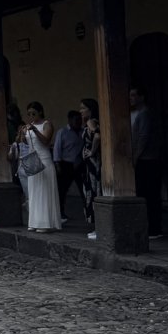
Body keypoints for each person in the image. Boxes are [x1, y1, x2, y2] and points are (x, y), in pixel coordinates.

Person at [16, 102, 61, 232]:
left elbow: (46, 141)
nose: (31, 116)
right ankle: (35, 221)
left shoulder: (46, 124)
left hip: (45, 159)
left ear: (40, 112)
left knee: (44, 191)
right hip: (33, 160)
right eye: (29, 114)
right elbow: (24, 142)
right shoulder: (28, 126)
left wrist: (35, 130)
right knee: (34, 191)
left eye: (34, 113)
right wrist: (22, 134)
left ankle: (46, 223)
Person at [130, 85, 162, 237]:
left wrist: (135, 156)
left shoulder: (144, 114)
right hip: (145, 158)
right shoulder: (137, 114)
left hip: (147, 159)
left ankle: (153, 228)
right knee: (145, 194)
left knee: (149, 194)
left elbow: (143, 137)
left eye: (134, 95)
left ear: (142, 97)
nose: (131, 99)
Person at [52, 109, 85, 223]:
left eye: (80, 120)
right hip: (66, 164)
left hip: (80, 164)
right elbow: (57, 149)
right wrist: (57, 165)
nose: (79, 122)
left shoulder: (82, 131)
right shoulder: (63, 132)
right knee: (62, 190)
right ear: (70, 120)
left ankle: (88, 211)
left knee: (84, 188)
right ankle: (61, 213)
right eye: (76, 120)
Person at [79, 97, 101, 238]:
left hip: (93, 163)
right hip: (91, 163)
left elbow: (97, 136)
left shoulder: (91, 121)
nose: (80, 111)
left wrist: (92, 151)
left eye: (83, 108)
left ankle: (98, 226)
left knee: (93, 191)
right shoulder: (92, 122)